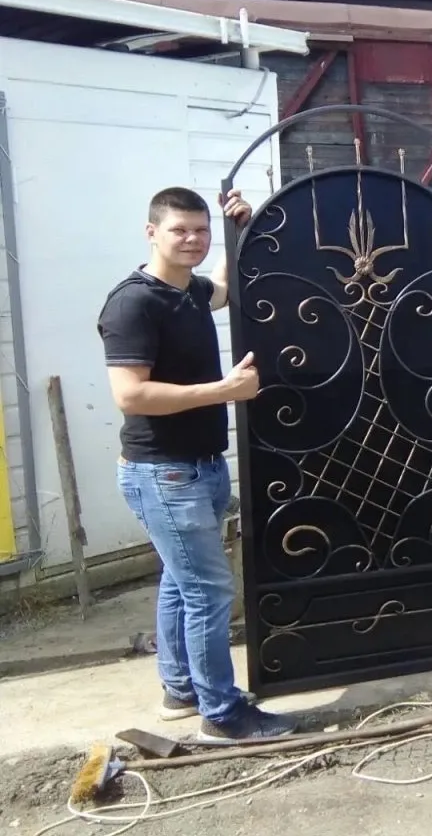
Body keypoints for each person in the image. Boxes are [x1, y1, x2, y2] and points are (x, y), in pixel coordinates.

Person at [97, 185, 297, 743]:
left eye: (201, 230)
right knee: (208, 592)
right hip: (164, 473)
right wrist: (223, 391)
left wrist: (238, 230)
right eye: (179, 230)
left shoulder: (188, 291)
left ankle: (181, 689)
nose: (192, 239)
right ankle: (222, 714)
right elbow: (130, 395)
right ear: (151, 232)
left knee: (180, 582)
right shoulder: (134, 303)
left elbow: (226, 290)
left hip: (198, 467)